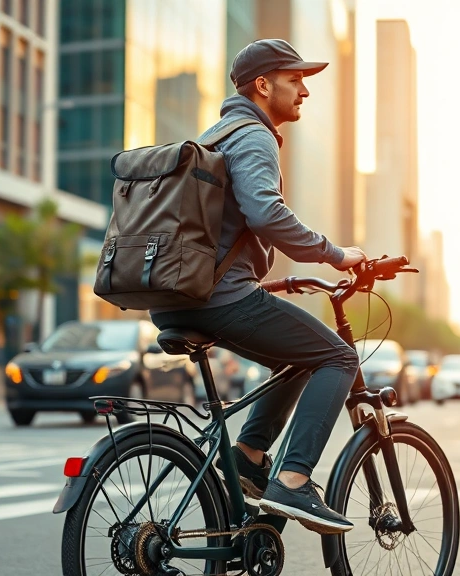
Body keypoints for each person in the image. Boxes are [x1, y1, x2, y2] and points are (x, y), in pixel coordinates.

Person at [149, 39, 366, 535]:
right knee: (337, 358)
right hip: (218, 301)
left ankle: (246, 457)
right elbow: (266, 213)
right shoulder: (254, 135)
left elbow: (217, 230)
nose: (305, 91)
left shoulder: (217, 133)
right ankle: (292, 480)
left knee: (296, 356)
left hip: (178, 300)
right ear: (263, 86)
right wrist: (336, 254)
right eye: (295, 80)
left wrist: (254, 275)